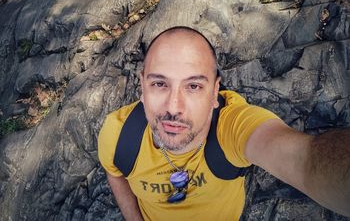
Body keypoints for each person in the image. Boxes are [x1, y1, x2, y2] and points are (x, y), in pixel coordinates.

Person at [98, 26, 350, 220]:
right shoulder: (119, 134)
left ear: (214, 92)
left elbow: (305, 160)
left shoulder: (230, 128)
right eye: (159, 84)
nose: (173, 108)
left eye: (194, 86)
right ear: (142, 87)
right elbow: (114, 171)